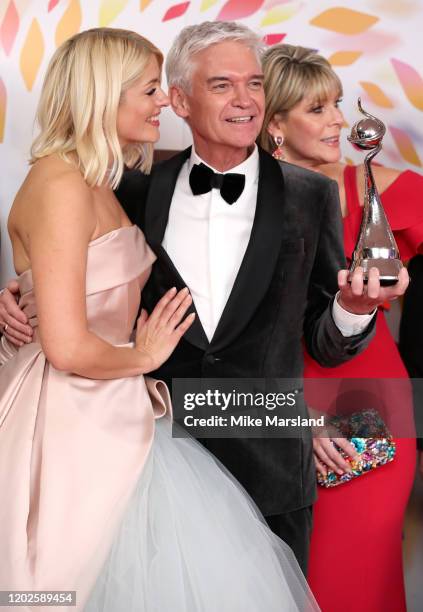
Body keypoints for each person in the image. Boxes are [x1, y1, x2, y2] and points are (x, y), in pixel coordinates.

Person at [0, 21, 408, 579]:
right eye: (222, 85)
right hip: (140, 452)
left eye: (255, 84)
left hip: (269, 462)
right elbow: (78, 275)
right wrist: (24, 296)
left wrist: (354, 310)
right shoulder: (124, 185)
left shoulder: (312, 195)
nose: (245, 101)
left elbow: (324, 341)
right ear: (181, 100)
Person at [259, 43, 423, 611]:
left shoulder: (381, 190)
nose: (338, 121)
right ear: (272, 124)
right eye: (316, 109)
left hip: (372, 411)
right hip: (268, 417)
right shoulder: (243, 201)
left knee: (357, 578)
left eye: (336, 104)